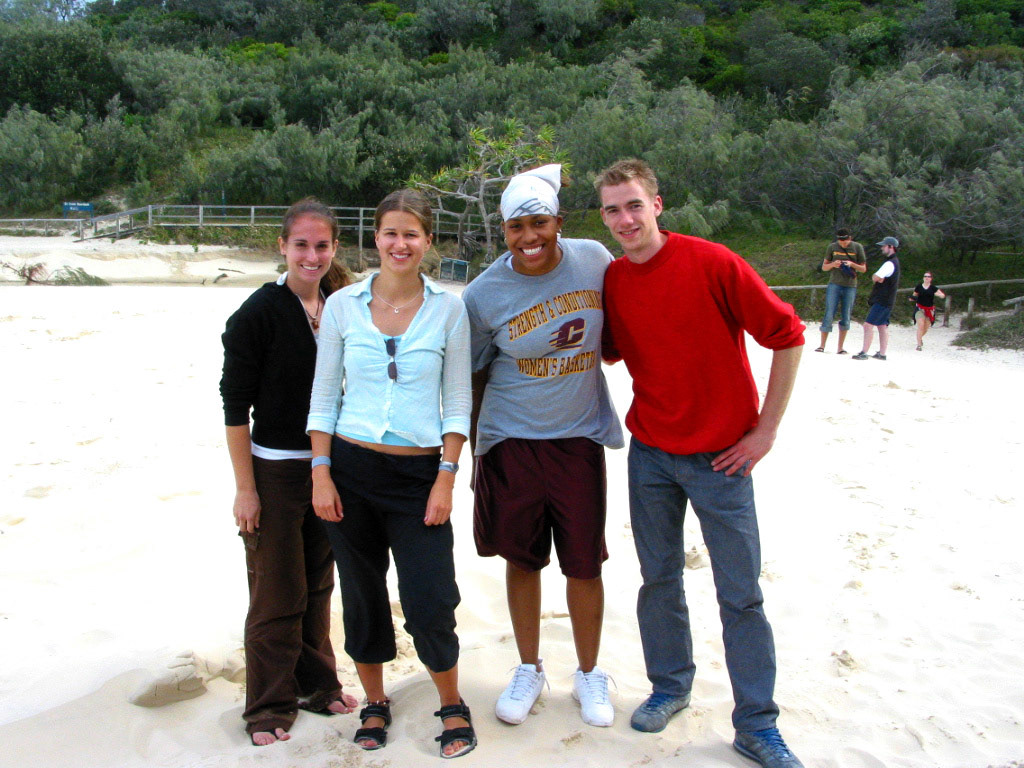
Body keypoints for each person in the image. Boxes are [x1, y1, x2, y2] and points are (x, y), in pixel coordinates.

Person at [595, 159, 806, 768]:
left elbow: (787, 335)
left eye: (633, 205)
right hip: (651, 456)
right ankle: (671, 687)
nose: (625, 219)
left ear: (657, 205)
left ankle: (757, 725)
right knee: (659, 581)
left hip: (725, 459)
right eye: (612, 209)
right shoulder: (614, 280)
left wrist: (765, 433)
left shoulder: (714, 262)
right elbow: (607, 351)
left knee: (740, 594)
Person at [307, 189, 477, 759]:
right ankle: (375, 700)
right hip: (350, 470)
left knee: (431, 596)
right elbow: (324, 396)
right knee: (361, 595)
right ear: (374, 238)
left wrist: (446, 478)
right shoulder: (343, 305)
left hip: (418, 476)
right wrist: (321, 473)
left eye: (411, 233)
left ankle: (451, 703)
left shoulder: (449, 309)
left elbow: (457, 403)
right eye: (389, 233)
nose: (399, 243)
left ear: (428, 241)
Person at [462, 165, 625, 729]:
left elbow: (624, 327)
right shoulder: (484, 295)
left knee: (584, 562)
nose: (528, 238)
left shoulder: (595, 260)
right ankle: (529, 667)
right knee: (522, 557)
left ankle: (589, 672)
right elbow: (473, 374)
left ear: (558, 221)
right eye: (515, 228)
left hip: (577, 436)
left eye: (538, 223)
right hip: (511, 440)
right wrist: (473, 454)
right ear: (502, 232)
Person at [219, 198, 359, 746]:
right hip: (275, 471)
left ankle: (317, 683)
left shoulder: (341, 304)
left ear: (333, 249)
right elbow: (235, 411)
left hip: (330, 468)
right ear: (282, 246)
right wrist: (245, 491)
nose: (311, 254)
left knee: (319, 585)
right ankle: (267, 707)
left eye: (321, 245)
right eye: (300, 244)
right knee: (276, 592)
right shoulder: (256, 314)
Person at [816, 228, 866, 354]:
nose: (843, 243)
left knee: (846, 315)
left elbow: (863, 268)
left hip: (850, 285)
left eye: (845, 240)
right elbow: (824, 267)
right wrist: (834, 264)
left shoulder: (857, 247)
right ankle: (822, 345)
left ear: (850, 238)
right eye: (841, 241)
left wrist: (851, 264)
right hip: (834, 284)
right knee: (829, 313)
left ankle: (840, 347)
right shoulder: (832, 247)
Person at [852, 236, 901, 361]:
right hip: (887, 300)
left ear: (891, 247)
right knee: (882, 326)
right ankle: (882, 353)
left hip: (882, 300)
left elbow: (875, 277)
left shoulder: (889, 263)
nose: (882, 248)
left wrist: (878, 277)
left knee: (868, 325)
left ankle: (864, 352)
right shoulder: (894, 262)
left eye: (884, 246)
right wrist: (879, 278)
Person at [910, 271, 945, 351]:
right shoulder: (919, 287)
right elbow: (914, 295)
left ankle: (920, 338)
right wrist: (912, 298)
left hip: (929, 310)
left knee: (925, 328)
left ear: (931, 279)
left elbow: (942, 295)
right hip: (919, 309)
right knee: (921, 326)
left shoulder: (933, 288)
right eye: (925, 276)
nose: (927, 278)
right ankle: (919, 345)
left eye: (928, 277)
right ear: (923, 278)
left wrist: (939, 295)